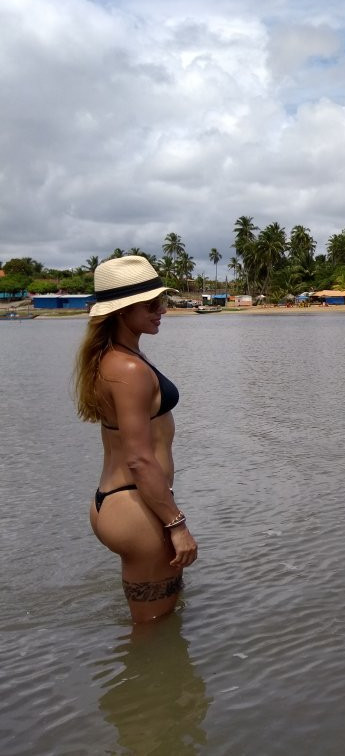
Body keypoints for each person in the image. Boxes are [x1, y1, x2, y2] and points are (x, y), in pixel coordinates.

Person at [74, 255, 198, 622]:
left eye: (161, 300)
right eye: (150, 304)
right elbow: (140, 459)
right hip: (135, 507)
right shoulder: (128, 369)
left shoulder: (114, 357)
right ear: (121, 311)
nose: (162, 310)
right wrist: (177, 525)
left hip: (120, 502)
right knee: (151, 631)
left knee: (164, 624)